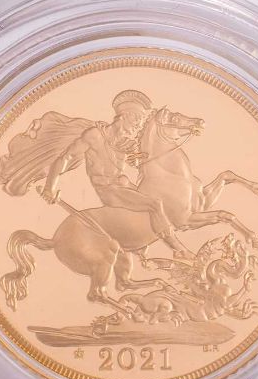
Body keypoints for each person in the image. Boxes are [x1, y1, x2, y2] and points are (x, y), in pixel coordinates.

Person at [40, 90, 194, 259]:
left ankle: (140, 245)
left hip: (123, 186)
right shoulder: (95, 136)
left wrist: (139, 157)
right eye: (137, 120)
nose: (138, 126)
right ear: (125, 116)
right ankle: (178, 249)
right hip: (109, 190)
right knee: (155, 205)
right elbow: (66, 157)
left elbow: (136, 159)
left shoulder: (124, 142)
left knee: (155, 199)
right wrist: (50, 186)